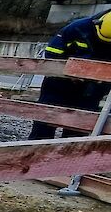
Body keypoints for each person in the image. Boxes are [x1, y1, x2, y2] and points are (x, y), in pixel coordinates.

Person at [27, 10, 111, 140]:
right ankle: (32, 154)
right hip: (59, 85)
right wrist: (69, 72)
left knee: (76, 131)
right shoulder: (77, 28)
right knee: (44, 124)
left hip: (92, 91)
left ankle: (67, 157)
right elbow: (52, 53)